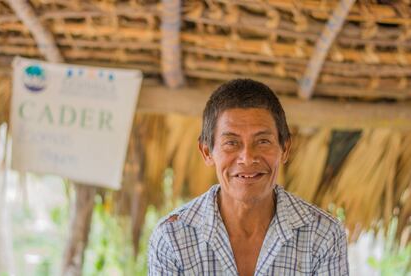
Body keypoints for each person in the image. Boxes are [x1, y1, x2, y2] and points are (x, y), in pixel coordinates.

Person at [148, 79, 349, 275]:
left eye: (262, 141)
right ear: (207, 152)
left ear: (285, 149)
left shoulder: (323, 236)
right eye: (231, 143)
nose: (247, 158)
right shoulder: (172, 238)